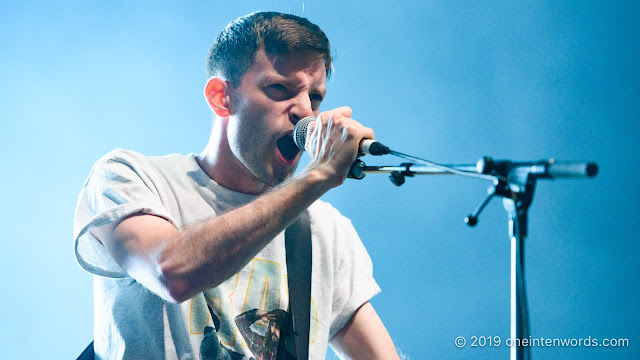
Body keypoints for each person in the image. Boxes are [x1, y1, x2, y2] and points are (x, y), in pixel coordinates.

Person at [73, 11, 399, 359]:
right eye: (279, 89)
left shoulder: (325, 230)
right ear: (221, 97)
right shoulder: (128, 176)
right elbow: (171, 273)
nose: (306, 112)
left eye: (315, 98)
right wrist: (318, 176)